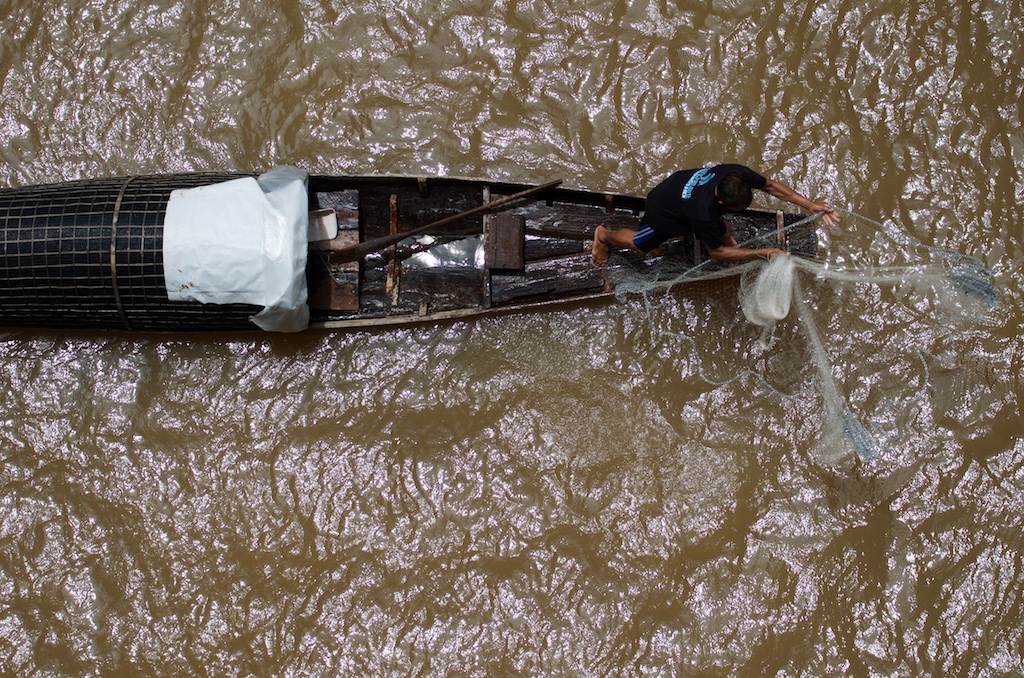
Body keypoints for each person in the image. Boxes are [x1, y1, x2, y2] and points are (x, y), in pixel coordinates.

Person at [591, 164, 840, 265]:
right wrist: (761, 253)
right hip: (663, 209)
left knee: (723, 229)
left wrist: (809, 204)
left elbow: (770, 185)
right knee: (641, 244)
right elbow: (716, 253)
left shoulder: (736, 174)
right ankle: (604, 236)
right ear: (721, 201)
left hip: (680, 188)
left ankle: (727, 239)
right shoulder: (703, 214)